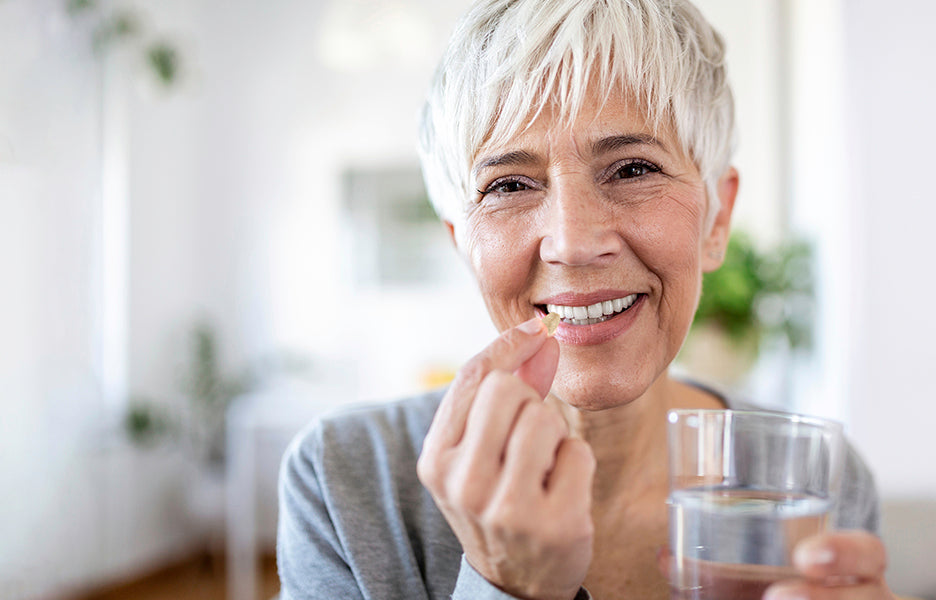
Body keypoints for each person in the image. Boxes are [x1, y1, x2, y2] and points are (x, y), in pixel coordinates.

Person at [277, 1, 896, 599]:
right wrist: (508, 588)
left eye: (632, 169)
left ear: (716, 219)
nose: (573, 244)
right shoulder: (343, 479)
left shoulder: (813, 482)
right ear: (463, 245)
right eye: (510, 185)